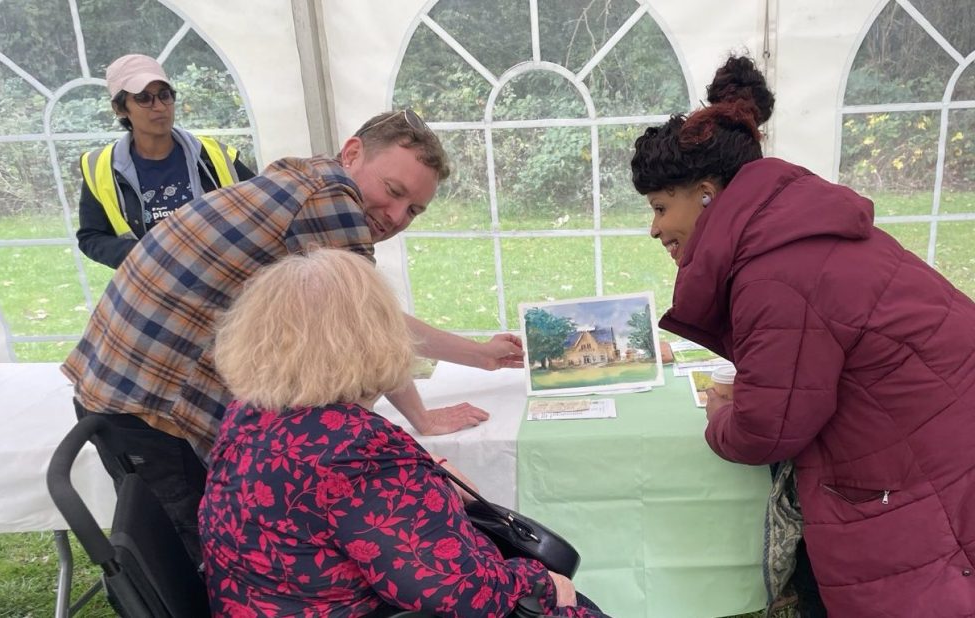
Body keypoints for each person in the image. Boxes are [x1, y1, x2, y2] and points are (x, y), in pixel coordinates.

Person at [62, 109, 523, 564]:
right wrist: (424, 415)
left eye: (414, 210)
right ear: (352, 153)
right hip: (153, 407)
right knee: (205, 569)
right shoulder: (332, 200)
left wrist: (482, 356)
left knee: (176, 558)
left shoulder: (306, 178)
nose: (397, 215)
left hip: (113, 383)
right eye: (394, 190)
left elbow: (369, 317)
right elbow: (374, 329)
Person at [629, 54, 975, 615]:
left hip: (922, 460)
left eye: (661, 207)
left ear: (708, 192)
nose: (655, 229)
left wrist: (720, 418)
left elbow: (767, 431)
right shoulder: (790, 227)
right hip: (940, 432)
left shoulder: (772, 271)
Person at [200, 248, 606, 617]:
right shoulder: (358, 448)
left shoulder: (248, 413)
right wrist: (539, 582)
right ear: (376, 338)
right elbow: (460, 593)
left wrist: (430, 473)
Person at [76, 53, 256, 268]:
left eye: (164, 95)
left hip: (225, 278)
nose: (160, 107)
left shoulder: (215, 156)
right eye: (143, 98)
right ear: (120, 108)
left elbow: (262, 208)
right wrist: (146, 254)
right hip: (154, 283)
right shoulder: (100, 167)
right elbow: (91, 237)